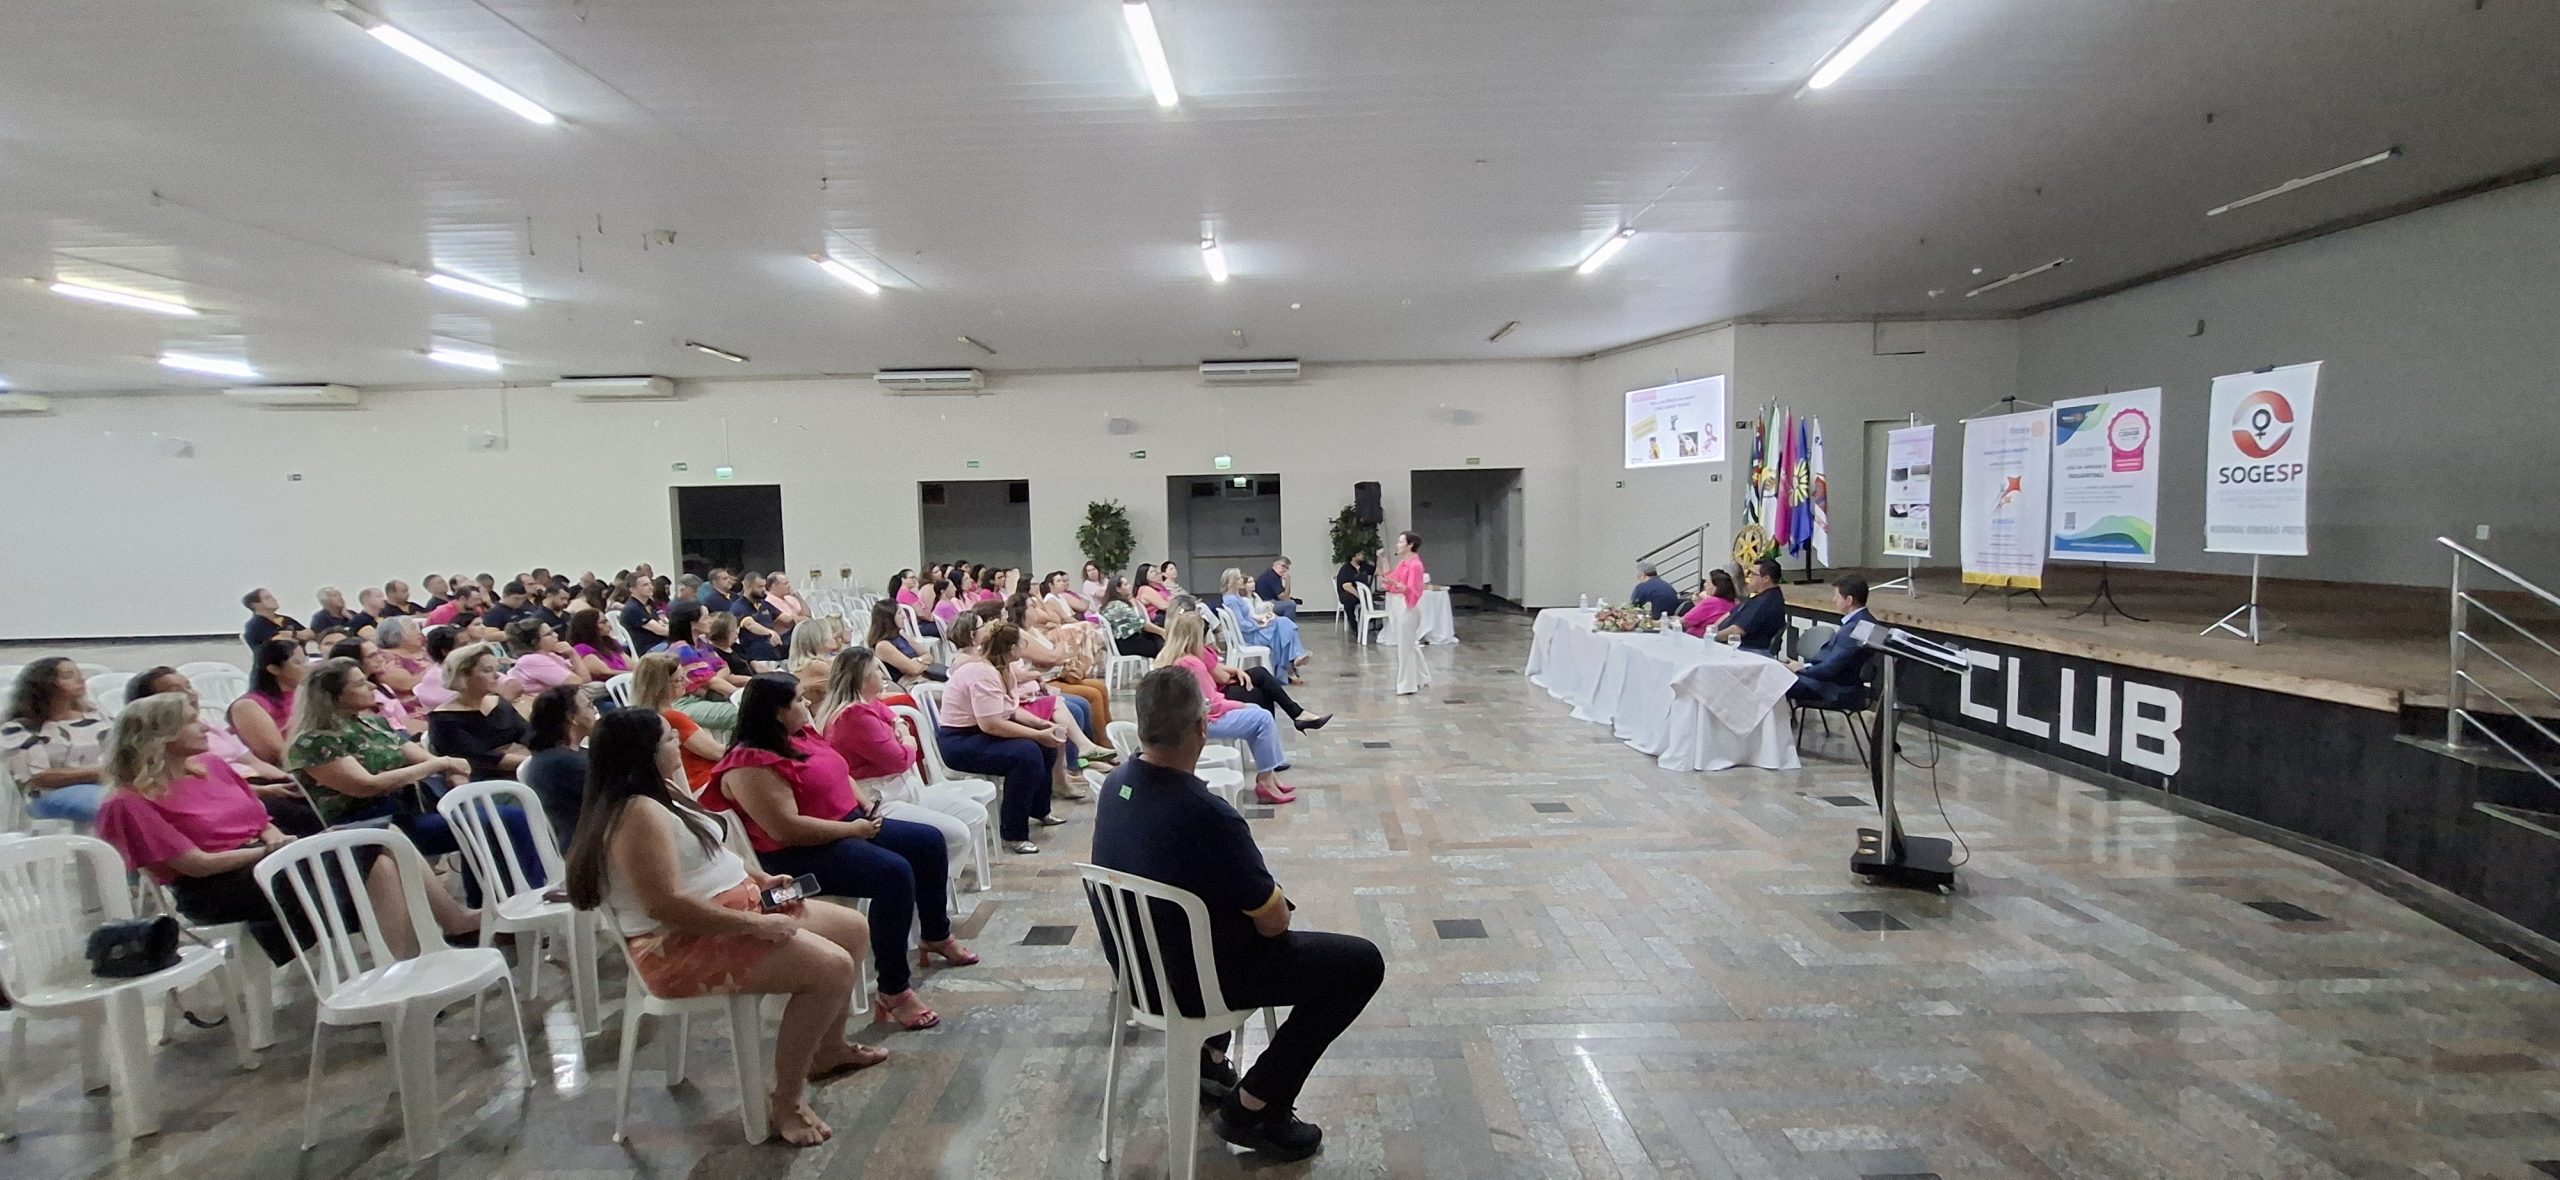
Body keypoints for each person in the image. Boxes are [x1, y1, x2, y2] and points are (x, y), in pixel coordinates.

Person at [1088, 669, 1384, 1163]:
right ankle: (1255, 1106)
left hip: (1138, 969)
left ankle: (1208, 1058)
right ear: (1202, 728)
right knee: (1359, 965)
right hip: (1197, 982)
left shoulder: (1116, 784)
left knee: (1211, 912)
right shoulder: (1208, 813)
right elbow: (1274, 921)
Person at [562, 708, 886, 1148]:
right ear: (645, 755)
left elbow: (714, 851)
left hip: (730, 910)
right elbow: (667, 905)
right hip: (677, 944)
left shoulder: (663, 791)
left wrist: (759, 880)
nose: (680, 744)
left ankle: (828, 1050)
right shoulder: (636, 814)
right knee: (830, 968)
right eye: (669, 740)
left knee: (850, 928)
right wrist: (752, 924)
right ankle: (785, 1101)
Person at [97, 693, 480, 965]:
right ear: (161, 738)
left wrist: (273, 838)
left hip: (266, 855)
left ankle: (403, 962)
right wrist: (272, 851)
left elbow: (259, 819)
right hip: (217, 885)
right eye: (190, 722)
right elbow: (195, 865)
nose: (204, 727)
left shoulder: (212, 767)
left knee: (381, 849)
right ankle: (427, 944)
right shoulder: (129, 800)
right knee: (373, 849)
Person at [700, 676, 973, 1032]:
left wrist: (865, 807)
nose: (808, 705)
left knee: (929, 843)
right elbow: (787, 828)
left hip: (847, 825)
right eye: (799, 700)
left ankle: (935, 933)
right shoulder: (750, 764)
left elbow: (839, 772)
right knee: (894, 874)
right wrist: (853, 830)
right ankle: (894, 988)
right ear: (778, 712)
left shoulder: (799, 735)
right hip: (796, 857)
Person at [284, 656, 544, 903]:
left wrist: (452, 774)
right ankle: (516, 901)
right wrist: (441, 764)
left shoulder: (374, 724)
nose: (371, 686)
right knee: (501, 820)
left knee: (493, 818)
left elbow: (423, 759)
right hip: (370, 826)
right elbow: (365, 785)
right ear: (332, 696)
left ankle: (503, 901)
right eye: (360, 683)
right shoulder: (315, 742)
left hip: (412, 811)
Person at [816, 648, 991, 870]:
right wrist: (909, 742)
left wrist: (900, 725)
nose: (883, 676)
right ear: (863, 680)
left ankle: (940, 879)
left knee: (975, 814)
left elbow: (890, 713)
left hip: (904, 788)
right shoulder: (853, 716)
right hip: (881, 798)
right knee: (958, 833)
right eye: (877, 671)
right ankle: (932, 883)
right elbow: (899, 760)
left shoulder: (866, 704)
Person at [935, 621, 1068, 854]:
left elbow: (1010, 709)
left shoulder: (1002, 669)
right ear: (1012, 649)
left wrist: (1041, 724)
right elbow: (992, 724)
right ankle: (1013, 833)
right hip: (959, 741)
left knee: (1045, 747)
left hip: (979, 731)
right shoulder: (981, 672)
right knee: (1026, 755)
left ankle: (1040, 809)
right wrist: (1038, 734)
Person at [1156, 614, 1295, 804]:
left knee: (1257, 712)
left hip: (1189, 717)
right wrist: (1240, 705)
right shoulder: (1192, 663)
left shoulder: (1169, 657)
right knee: (1262, 718)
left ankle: (1269, 776)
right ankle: (1265, 780)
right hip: (1203, 721)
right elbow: (1212, 704)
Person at [3, 657, 113, 824]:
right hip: (49, 793)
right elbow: (38, 777)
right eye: (69, 676)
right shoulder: (19, 728)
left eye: (79, 674)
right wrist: (101, 773)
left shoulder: (98, 716)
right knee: (116, 805)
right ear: (46, 685)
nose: (81, 680)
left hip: (107, 783)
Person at [425, 643, 532, 781]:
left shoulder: (498, 703)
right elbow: (481, 759)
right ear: (463, 675)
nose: (497, 676)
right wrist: (532, 762)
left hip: (521, 769)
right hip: (487, 783)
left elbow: (528, 734)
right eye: (488, 670)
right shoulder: (443, 719)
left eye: (497, 670)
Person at [633, 652, 727, 792]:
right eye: (680, 679)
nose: (687, 682)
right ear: (661, 685)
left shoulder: (646, 717)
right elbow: (718, 753)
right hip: (705, 784)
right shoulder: (672, 718)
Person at [656, 601, 746, 730]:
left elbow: (723, 668)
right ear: (693, 623)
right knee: (742, 714)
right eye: (705, 617)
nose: (710, 621)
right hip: (685, 702)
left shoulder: (702, 643)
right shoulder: (683, 649)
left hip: (706, 694)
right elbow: (711, 681)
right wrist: (740, 694)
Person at [1787, 576, 1877, 706]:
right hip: (1831, 680)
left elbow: (1830, 669)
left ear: (1849, 600)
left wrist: (1801, 669)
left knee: (1775, 683)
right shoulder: (1864, 621)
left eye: (1837, 596)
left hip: (1834, 689)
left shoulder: (1856, 628)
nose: (1834, 600)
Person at [521, 684, 594, 843]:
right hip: (588, 846)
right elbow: (616, 793)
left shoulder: (566, 754)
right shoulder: (562, 762)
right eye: (589, 706)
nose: (595, 711)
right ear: (572, 717)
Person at [1220, 568, 1308, 682]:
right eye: (1238, 578)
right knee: (1284, 627)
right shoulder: (1231, 600)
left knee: (1283, 625)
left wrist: (1262, 619)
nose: (1242, 580)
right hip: (1249, 635)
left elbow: (1248, 617)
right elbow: (1241, 624)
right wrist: (1260, 626)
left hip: (1252, 629)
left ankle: (1294, 660)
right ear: (1231, 582)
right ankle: (1295, 658)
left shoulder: (1235, 597)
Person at [229, 638, 306, 767]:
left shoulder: (303, 694)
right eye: (298, 663)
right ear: (274, 669)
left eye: (307, 660)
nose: (308, 667)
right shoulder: (249, 706)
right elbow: (275, 755)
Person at [1380, 532, 1431, 696]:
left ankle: (1407, 685)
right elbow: (1391, 577)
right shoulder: (1404, 563)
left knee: (1405, 647)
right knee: (1409, 643)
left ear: (1410, 545)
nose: (1398, 545)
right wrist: (1384, 560)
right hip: (1397, 603)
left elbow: (1411, 589)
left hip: (1406, 606)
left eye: (1401, 542)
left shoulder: (1415, 565)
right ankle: (1422, 677)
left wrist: (1393, 583)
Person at [1714, 558, 1790, 657]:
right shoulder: (1761, 597)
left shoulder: (1766, 602)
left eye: (1753, 574)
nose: (1749, 578)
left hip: (1748, 651)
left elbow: (1737, 630)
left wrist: (1713, 637)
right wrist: (1713, 628)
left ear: (1766, 579)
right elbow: (1730, 614)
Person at [501, 616, 589, 694]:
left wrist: (573, 654)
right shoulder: (532, 660)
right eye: (549, 634)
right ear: (534, 641)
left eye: (553, 631)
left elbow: (586, 680)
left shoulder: (551, 656)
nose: (556, 635)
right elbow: (578, 683)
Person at [868, 599, 945, 686]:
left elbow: (929, 656)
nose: (904, 616)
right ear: (889, 619)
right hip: (911, 684)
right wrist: (922, 663)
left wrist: (918, 660)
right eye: (899, 613)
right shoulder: (883, 646)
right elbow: (913, 669)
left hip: (924, 676)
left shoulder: (901, 634)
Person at [1099, 576, 1163, 659]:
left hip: (1122, 642)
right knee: (1160, 646)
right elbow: (1140, 624)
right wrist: (1162, 631)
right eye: (1126, 584)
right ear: (1118, 589)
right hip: (1127, 643)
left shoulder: (1110, 605)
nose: (1130, 586)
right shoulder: (1118, 606)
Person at [566, 608, 633, 681]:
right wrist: (633, 675)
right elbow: (605, 673)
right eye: (603, 622)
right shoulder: (582, 648)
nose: (609, 625)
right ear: (589, 626)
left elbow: (633, 666)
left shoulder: (611, 643)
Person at [241, 587, 312, 650]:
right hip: (276, 663)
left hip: (301, 659)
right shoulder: (255, 625)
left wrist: (292, 634)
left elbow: (311, 634)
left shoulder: (284, 619)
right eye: (267, 598)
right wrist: (300, 635)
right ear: (255, 605)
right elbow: (283, 642)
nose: (274, 599)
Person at [619, 574, 670, 646]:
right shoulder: (633, 609)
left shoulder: (649, 603)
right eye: (645, 585)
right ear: (632, 589)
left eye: (650, 584)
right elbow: (661, 631)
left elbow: (662, 622)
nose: (651, 587)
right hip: (648, 648)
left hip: (661, 642)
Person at [1334, 551, 1373, 617]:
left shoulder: (1363, 566)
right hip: (1348, 593)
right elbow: (1347, 586)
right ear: (1353, 557)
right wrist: (1360, 597)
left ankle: (1370, 620)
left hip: (1360, 594)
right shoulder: (1346, 569)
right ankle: (1353, 623)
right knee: (1348, 601)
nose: (1362, 555)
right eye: (1359, 554)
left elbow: (1377, 571)